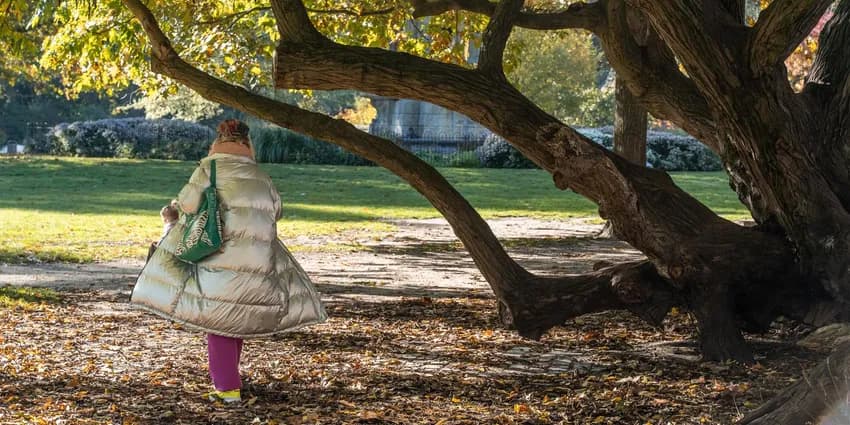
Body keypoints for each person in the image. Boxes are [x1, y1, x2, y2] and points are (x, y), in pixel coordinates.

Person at [131, 119, 327, 403]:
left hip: (219, 255)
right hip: (258, 258)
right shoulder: (260, 175)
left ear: (218, 141)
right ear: (247, 144)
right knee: (234, 319)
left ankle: (227, 390)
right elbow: (277, 210)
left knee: (218, 322)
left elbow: (188, 204)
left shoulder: (209, 169)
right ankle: (230, 382)